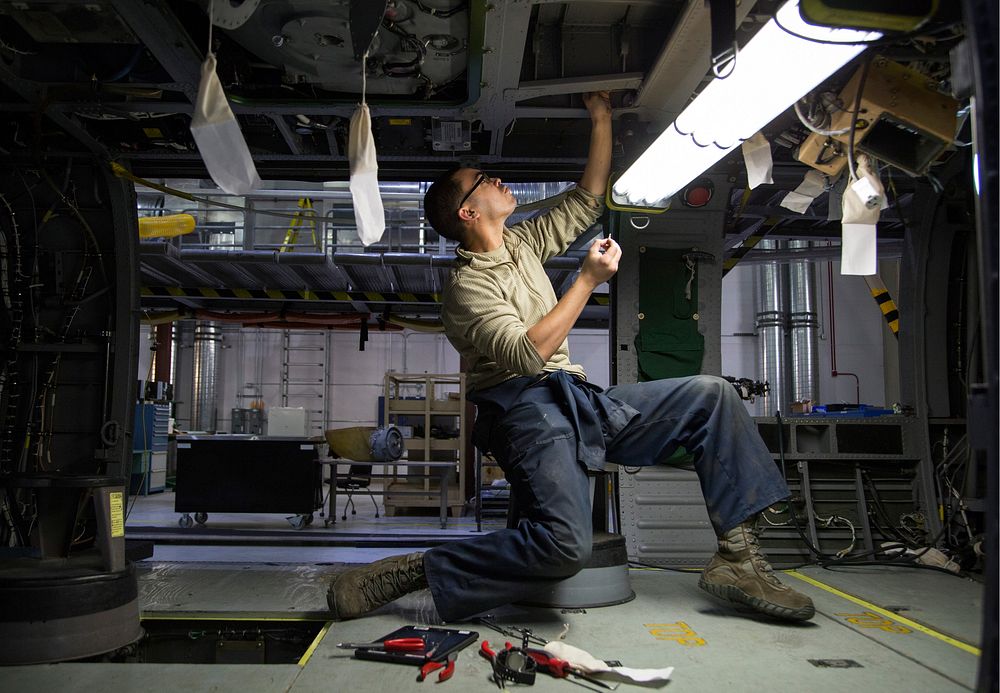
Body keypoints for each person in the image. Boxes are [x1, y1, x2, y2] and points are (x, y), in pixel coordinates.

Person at [327, 91, 815, 624]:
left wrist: (601, 117)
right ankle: (418, 569)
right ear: (468, 211)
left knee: (712, 396)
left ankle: (739, 558)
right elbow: (526, 354)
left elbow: (587, 198)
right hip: (523, 410)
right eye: (483, 180)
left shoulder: (522, 244)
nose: (495, 180)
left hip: (575, 399)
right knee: (563, 547)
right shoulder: (466, 288)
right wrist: (586, 280)